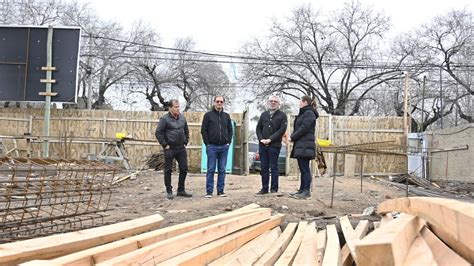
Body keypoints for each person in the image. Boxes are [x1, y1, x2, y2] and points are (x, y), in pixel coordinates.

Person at [155, 100, 192, 200]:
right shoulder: (165, 119)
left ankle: (181, 190)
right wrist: (164, 144)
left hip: (181, 148)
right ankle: (169, 191)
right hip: (170, 148)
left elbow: (186, 131)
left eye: (178, 107)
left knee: (184, 168)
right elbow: (158, 133)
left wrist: (186, 141)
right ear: (170, 108)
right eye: (175, 107)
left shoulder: (182, 118)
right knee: (168, 170)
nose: (177, 109)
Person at [201, 96, 233, 198]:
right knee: (210, 169)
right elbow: (203, 130)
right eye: (217, 101)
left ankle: (220, 191)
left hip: (224, 147)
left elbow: (230, 130)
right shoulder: (208, 115)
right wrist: (207, 143)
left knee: (222, 169)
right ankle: (209, 192)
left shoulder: (226, 116)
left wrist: (228, 142)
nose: (219, 103)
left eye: (221, 101)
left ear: (223, 103)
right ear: (214, 102)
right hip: (212, 147)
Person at [255, 95, 287, 195]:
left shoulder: (282, 116)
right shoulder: (264, 115)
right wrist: (261, 139)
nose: (273, 103)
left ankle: (274, 189)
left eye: (275, 101)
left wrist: (270, 139)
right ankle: (264, 189)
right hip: (262, 145)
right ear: (268, 103)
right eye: (271, 101)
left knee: (274, 167)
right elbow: (258, 129)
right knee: (264, 167)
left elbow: (281, 130)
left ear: (278, 104)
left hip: (274, 145)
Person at [289, 95, 319, 199]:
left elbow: (304, 128)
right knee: (303, 168)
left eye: (300, 102)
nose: (299, 103)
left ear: (305, 102)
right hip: (302, 144)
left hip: (305, 145)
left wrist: (292, 137)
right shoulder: (305, 113)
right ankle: (302, 190)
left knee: (305, 169)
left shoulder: (309, 113)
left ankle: (306, 191)